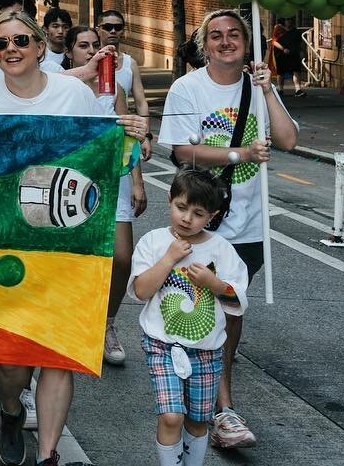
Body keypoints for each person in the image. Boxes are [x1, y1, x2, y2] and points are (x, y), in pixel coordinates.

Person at [0, 10, 133, 466]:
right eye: (1, 44)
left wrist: (135, 136)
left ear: (42, 47)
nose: (12, 50)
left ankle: (48, 454)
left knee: (58, 353)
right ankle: (8, 410)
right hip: (2, 243)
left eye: (22, 40)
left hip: (68, 244)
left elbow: (108, 146)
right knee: (11, 364)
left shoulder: (73, 93)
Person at [160, 9, 299, 450]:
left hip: (248, 230)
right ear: (204, 46)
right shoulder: (188, 88)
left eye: (234, 34)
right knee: (200, 310)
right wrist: (239, 155)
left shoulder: (257, 87)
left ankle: (212, 402)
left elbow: (288, 140)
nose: (225, 42)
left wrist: (268, 89)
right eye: (215, 36)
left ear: (248, 41)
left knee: (229, 313)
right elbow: (182, 148)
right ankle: (220, 408)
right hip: (201, 226)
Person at [130, 170, 249, 466]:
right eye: (181, 208)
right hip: (162, 345)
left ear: (213, 215)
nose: (187, 218)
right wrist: (169, 258)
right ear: (170, 200)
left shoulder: (221, 249)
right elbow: (141, 290)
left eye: (198, 213)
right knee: (171, 417)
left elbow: (237, 302)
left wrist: (214, 283)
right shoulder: (153, 242)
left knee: (198, 421)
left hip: (206, 351)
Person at [61, 25, 149, 367]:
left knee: (122, 257)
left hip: (114, 177)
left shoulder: (114, 88)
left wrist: (138, 181)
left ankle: (107, 323)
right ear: (71, 52)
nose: (92, 50)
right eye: (83, 46)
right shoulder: (61, 85)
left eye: (95, 44)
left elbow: (127, 133)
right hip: (75, 181)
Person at [97, 10, 150, 140]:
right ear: (98, 29)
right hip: (95, 132)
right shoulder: (89, 61)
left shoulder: (130, 63)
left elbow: (141, 102)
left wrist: (146, 136)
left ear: (123, 31)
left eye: (118, 27)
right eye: (108, 27)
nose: (113, 31)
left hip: (123, 132)